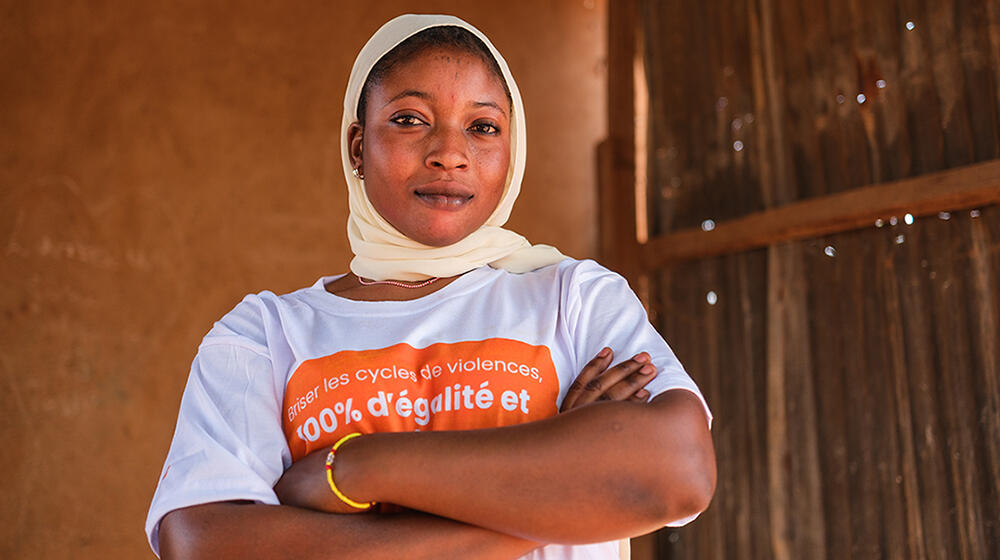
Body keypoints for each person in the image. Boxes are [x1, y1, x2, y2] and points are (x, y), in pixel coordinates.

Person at [146, 14, 715, 560]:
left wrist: (357, 468)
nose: (449, 154)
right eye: (409, 119)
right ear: (357, 146)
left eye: (483, 127)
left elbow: (680, 471)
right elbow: (203, 545)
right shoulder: (265, 335)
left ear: (513, 151)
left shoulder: (575, 299)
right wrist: (562, 487)